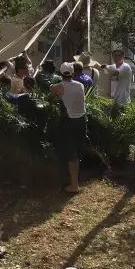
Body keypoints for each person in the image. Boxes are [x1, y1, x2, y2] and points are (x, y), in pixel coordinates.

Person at [51, 63, 86, 194]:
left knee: (71, 154)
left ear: (61, 73)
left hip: (69, 121)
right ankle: (75, 181)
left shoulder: (59, 86)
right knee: (76, 153)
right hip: (81, 121)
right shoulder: (80, 85)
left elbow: (52, 94)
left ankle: (74, 186)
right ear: (72, 73)